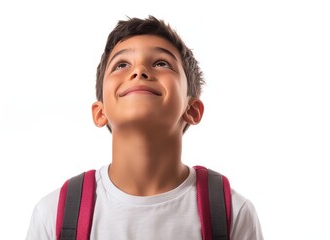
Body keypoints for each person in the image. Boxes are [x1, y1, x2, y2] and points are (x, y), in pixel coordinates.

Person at [26, 15, 263, 240]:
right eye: (121, 65)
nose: (139, 71)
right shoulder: (52, 214)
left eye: (161, 63)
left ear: (192, 109)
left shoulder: (234, 213)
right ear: (100, 113)